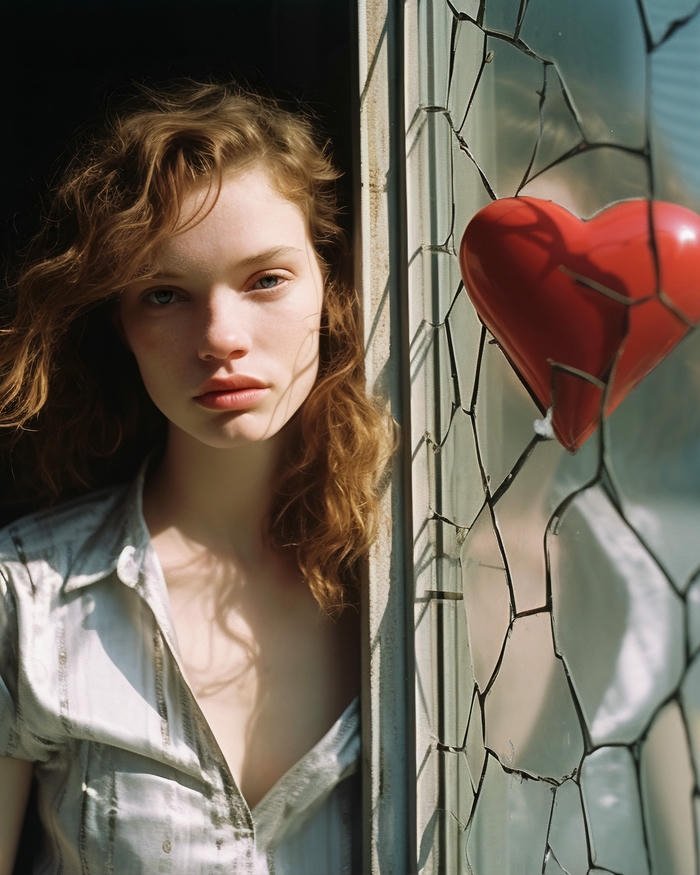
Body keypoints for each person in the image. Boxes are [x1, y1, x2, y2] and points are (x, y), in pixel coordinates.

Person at [0, 79, 394, 874]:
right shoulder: (30, 596)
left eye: (265, 279)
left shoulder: (423, 582)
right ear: (121, 320)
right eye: (166, 294)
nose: (220, 336)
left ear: (331, 284)